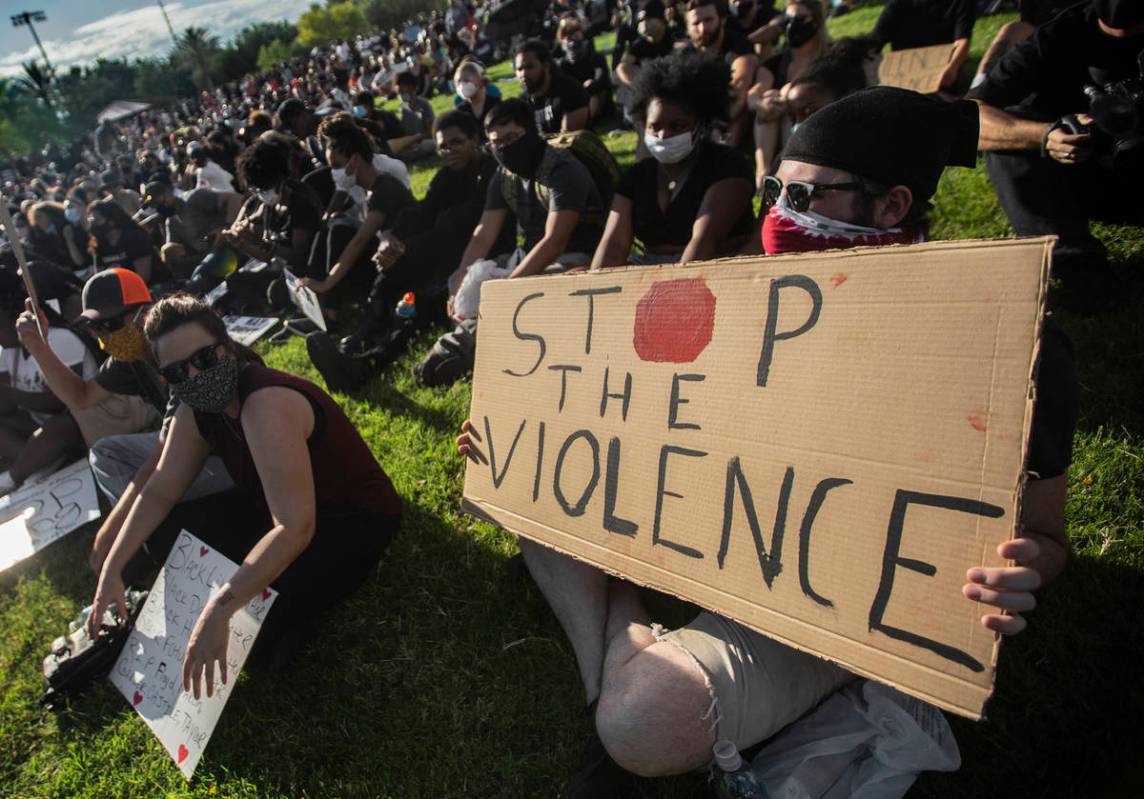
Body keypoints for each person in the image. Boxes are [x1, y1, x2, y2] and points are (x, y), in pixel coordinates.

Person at [461, 88, 1078, 798]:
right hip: (702, 534)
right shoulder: (746, 296)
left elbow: (1048, 534)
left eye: (807, 194)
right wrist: (516, 440)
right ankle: (610, 643)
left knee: (639, 721)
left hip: (829, 601)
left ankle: (615, 626)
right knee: (516, 490)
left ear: (893, 207)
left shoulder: (1008, 347)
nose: (780, 213)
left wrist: (1027, 565)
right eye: (775, 189)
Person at [87, 294, 402, 684]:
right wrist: (113, 569)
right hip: (278, 509)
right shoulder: (195, 409)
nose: (195, 377)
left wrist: (219, 608)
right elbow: (158, 492)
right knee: (165, 532)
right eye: (176, 373)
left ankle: (287, 619)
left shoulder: (264, 404)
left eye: (203, 359)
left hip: (350, 518)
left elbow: (294, 527)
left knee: (254, 635)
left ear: (228, 347)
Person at [306, 110, 513, 391]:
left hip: (480, 260)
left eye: (456, 142)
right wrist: (391, 240)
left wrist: (403, 248)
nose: (448, 150)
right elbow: (422, 214)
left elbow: (462, 228)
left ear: (474, 139)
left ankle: (370, 362)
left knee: (421, 304)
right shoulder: (446, 177)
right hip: (443, 255)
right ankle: (367, 333)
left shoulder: (491, 174)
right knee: (396, 277)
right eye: (442, 145)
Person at [969, 0, 1144, 312]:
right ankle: (1080, 269)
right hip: (1094, 175)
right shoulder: (1058, 36)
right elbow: (968, 118)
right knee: (1012, 132)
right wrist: (1047, 135)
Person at [592, 52, 754, 268]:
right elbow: (613, 246)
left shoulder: (727, 166)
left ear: (701, 124)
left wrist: (671, 294)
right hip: (650, 267)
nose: (663, 136)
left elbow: (705, 243)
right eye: (655, 127)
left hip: (713, 267)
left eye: (677, 126)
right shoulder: (637, 176)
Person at [296, 113, 416, 303]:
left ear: (355, 161)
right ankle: (321, 302)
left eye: (336, 166)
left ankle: (328, 304)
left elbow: (360, 240)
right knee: (333, 227)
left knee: (340, 232)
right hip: (390, 254)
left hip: (403, 259)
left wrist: (326, 283)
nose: (334, 172)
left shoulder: (384, 188)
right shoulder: (369, 190)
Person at [748, 0, 831, 184]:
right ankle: (763, 175)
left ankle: (792, 173)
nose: (793, 25)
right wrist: (761, 104)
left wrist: (787, 95)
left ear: (816, 21)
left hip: (817, 127)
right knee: (769, 101)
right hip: (776, 129)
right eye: (788, 19)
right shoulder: (777, 63)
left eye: (800, 19)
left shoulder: (830, 58)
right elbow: (753, 94)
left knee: (792, 105)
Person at [228, 137, 322, 277]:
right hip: (280, 270)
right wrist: (241, 243)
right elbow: (267, 257)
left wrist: (262, 243)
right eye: (257, 190)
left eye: (265, 188)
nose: (262, 194)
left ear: (280, 178)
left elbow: (299, 256)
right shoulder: (268, 207)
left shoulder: (302, 205)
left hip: (303, 275)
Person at [684, 0, 759, 147]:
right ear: (687, 27)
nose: (703, 28)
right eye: (695, 23)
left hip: (732, 116)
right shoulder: (683, 57)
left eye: (708, 20)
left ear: (722, 19)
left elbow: (738, 86)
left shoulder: (738, 46)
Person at [971, 0, 1080, 91]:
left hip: (1079, 38)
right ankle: (977, 90)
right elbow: (1027, 23)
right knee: (1011, 30)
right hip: (1043, 37)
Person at [869, 0, 975, 92]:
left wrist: (953, 67)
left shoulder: (960, 2)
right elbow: (874, 42)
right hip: (902, 74)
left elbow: (962, 40)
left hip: (940, 73)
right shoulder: (897, 4)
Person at [514, 39, 591, 134]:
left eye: (529, 67)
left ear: (546, 66)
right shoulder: (522, 103)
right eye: (519, 69)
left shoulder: (569, 90)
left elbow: (567, 138)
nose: (523, 74)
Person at [88, 197, 162, 284]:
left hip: (152, 286)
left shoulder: (134, 238)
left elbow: (143, 277)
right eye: (91, 221)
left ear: (112, 220)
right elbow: (100, 278)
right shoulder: (99, 244)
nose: (93, 225)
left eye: (97, 220)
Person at [556, 15, 614, 123]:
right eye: (569, 38)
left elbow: (601, 79)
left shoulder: (596, 57)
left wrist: (586, 87)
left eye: (576, 36)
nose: (573, 42)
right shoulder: (562, 65)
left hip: (598, 99)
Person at [393, 71, 439, 162]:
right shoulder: (401, 109)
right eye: (400, 93)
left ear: (413, 89)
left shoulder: (423, 105)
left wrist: (416, 139)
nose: (402, 95)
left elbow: (431, 131)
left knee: (428, 145)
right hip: (409, 144)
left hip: (423, 141)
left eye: (404, 91)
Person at [454, 58, 503, 136]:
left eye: (466, 80)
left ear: (480, 80)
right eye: (458, 82)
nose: (462, 85)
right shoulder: (460, 111)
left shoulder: (495, 104)